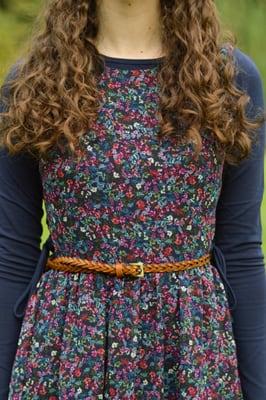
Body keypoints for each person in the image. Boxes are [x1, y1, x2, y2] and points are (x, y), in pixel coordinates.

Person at [0, 0, 265, 399]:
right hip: (68, 349)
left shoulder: (228, 79)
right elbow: (12, 257)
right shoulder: (35, 83)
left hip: (192, 351)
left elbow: (241, 251)